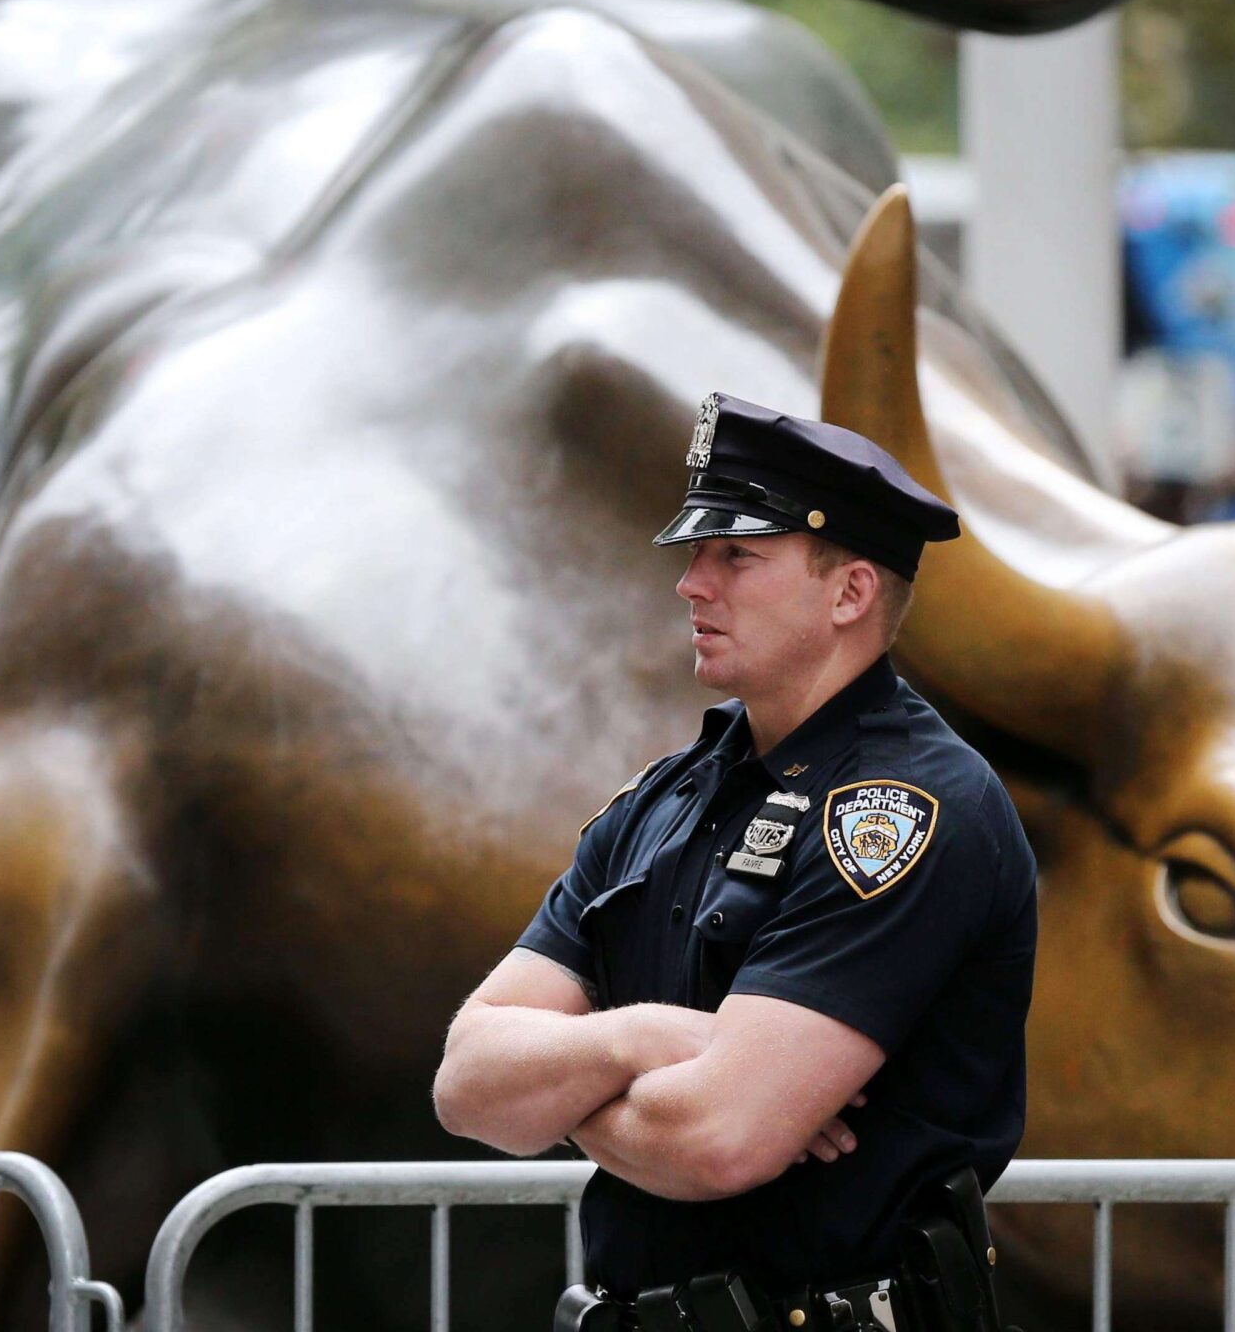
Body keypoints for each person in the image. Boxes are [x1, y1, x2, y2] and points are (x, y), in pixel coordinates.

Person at [432, 392, 1038, 1332]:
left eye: (737, 556)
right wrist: (637, 1046)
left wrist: (569, 1093)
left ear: (849, 593)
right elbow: (468, 1084)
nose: (691, 583)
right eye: (695, 553)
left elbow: (717, 1139)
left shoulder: (905, 808)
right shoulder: (665, 799)